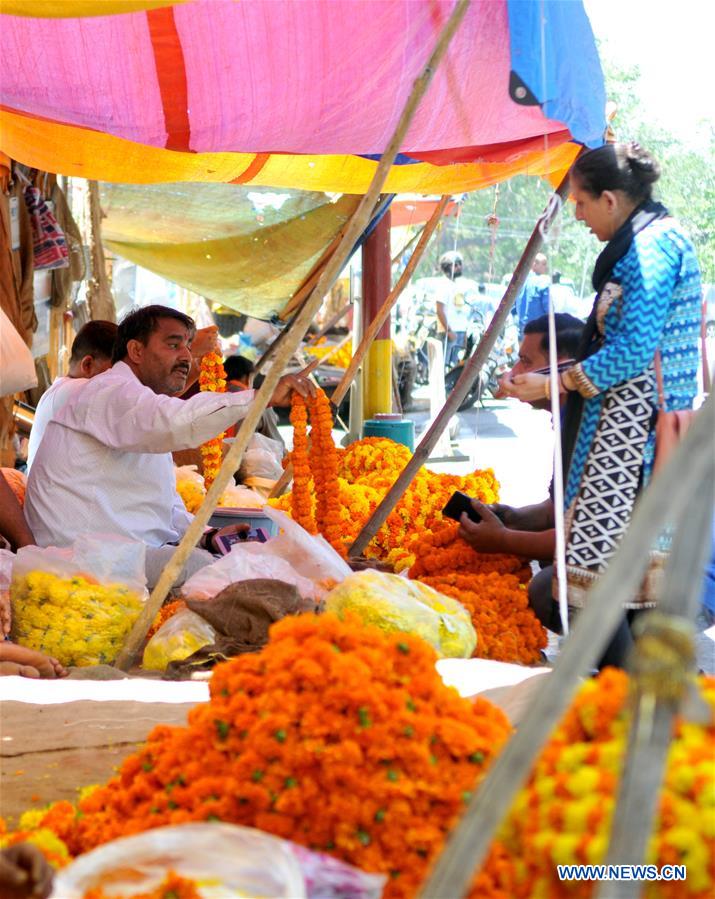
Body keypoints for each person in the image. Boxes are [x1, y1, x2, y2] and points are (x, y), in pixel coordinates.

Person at [502, 142, 702, 662]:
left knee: (592, 574)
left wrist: (558, 384)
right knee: (607, 575)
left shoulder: (650, 248)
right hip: (623, 427)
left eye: (582, 204)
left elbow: (634, 348)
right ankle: (625, 696)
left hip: (632, 437)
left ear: (610, 200)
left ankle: (621, 697)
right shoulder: (646, 241)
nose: (580, 216)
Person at [25, 305, 315, 588]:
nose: (187, 357)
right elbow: (175, 422)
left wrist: (209, 535)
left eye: (188, 347)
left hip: (118, 557)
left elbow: (165, 505)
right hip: (81, 563)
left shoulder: (140, 406)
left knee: (245, 562)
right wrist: (261, 397)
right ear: (136, 351)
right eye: (174, 345)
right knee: (226, 576)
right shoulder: (107, 391)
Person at [459, 313, 584, 563]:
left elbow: (579, 539)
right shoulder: (563, 419)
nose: (514, 372)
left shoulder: (587, 426)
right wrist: (513, 517)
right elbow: (554, 510)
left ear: (561, 368)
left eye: (525, 362)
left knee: (542, 586)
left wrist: (502, 539)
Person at [26, 320, 117, 470]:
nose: (122, 383)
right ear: (87, 365)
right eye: (114, 374)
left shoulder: (65, 392)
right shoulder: (73, 393)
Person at [436, 251, 478, 367]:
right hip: (448, 332)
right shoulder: (443, 284)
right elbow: (439, 310)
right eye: (456, 264)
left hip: (460, 331)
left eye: (460, 264)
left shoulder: (459, 284)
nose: (459, 267)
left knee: (457, 365)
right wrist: (449, 331)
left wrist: (464, 332)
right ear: (447, 267)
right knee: (445, 365)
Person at [513, 253, 550, 338]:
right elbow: (548, 308)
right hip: (538, 329)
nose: (545, 267)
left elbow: (513, 306)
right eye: (544, 264)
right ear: (534, 264)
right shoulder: (543, 283)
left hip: (522, 327)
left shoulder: (520, 281)